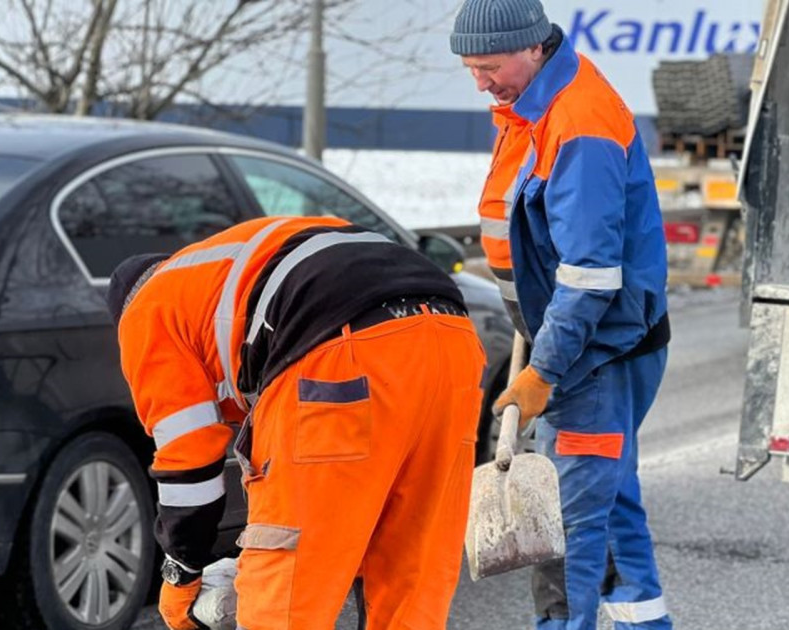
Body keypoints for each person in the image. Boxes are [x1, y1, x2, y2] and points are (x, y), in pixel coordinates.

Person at [107, 216, 487, 630]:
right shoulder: (213, 274)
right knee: (412, 578)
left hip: (336, 351)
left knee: (285, 603)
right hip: (453, 342)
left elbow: (189, 463)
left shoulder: (146, 312)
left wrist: (181, 573)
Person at [450, 1, 674, 628]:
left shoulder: (578, 122)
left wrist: (543, 371)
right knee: (610, 503)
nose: (480, 82)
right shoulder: (529, 106)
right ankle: (644, 620)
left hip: (591, 358)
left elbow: (589, 277)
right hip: (582, 347)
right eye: (470, 69)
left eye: (490, 67)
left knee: (567, 531)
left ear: (533, 48)